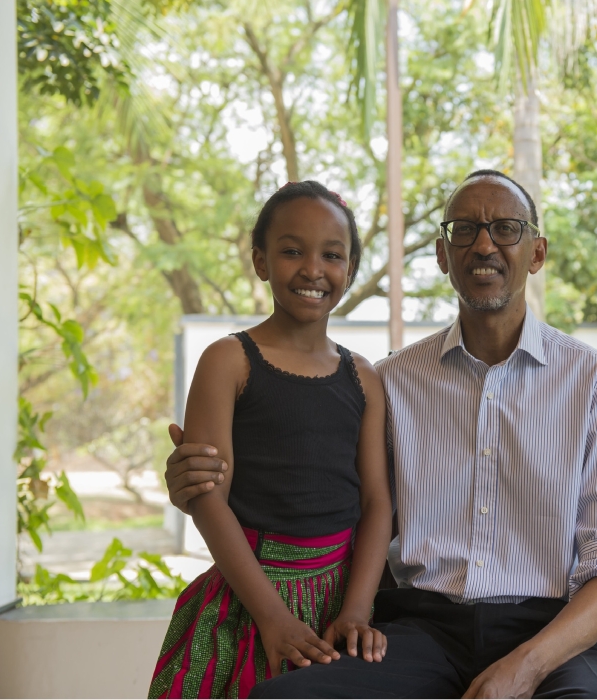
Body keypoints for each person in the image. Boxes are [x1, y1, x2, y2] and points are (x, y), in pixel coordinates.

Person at [163, 170, 597, 698]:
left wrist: (525, 667)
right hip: (421, 633)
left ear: (537, 252)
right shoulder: (388, 381)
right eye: (464, 230)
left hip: (550, 635)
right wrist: (195, 478)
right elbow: (318, 472)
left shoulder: (594, 382)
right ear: (442, 255)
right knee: (286, 696)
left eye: (506, 228)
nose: (484, 243)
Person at [148, 181, 393, 699]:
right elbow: (207, 496)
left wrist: (355, 610)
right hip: (249, 597)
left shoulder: (365, 378)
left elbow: (376, 502)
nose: (312, 269)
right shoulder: (228, 360)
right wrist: (273, 618)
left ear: (349, 270)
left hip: (340, 599)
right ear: (260, 261)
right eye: (291, 251)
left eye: (332, 254)